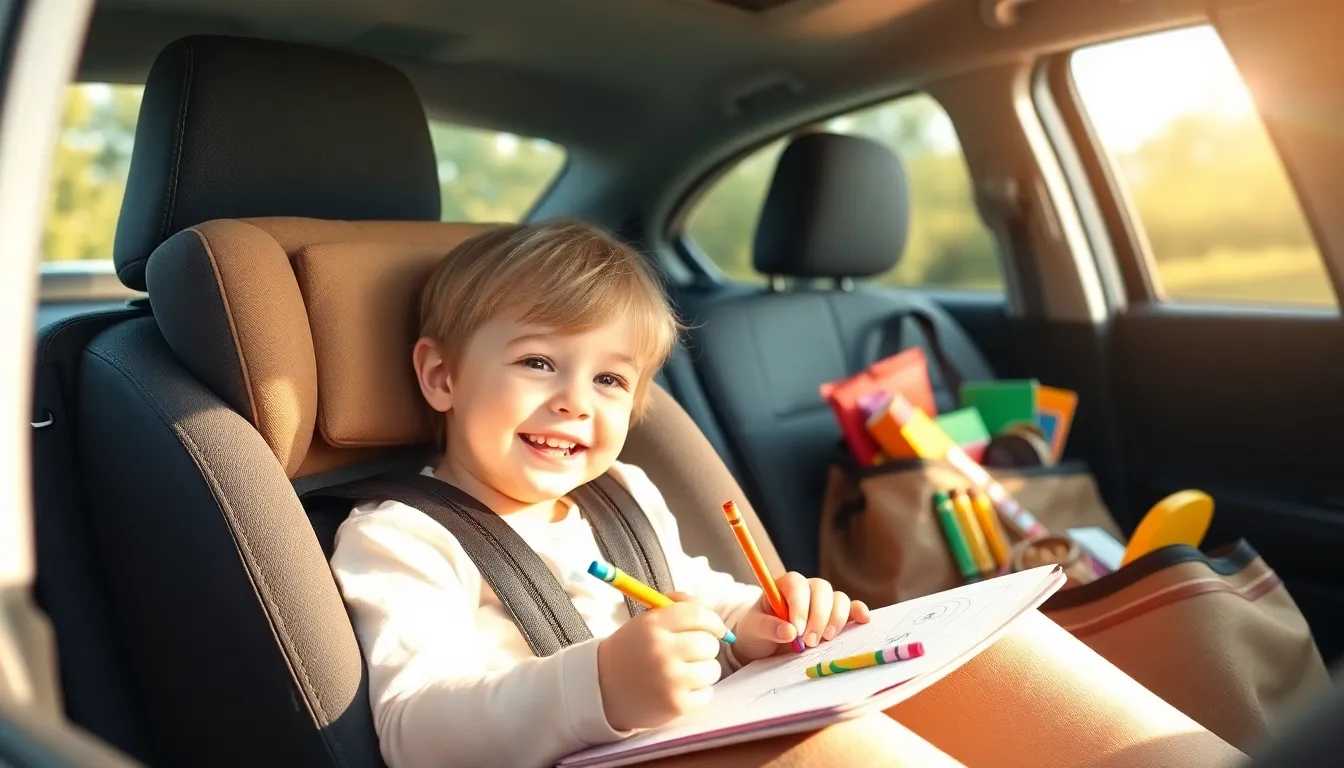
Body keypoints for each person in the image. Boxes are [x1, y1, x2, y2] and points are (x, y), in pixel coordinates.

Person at [330, 219, 872, 768]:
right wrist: (600, 687)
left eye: (608, 380)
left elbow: (690, 595)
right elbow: (413, 732)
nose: (575, 402)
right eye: (537, 363)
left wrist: (756, 625)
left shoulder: (622, 493)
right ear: (443, 376)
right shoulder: (404, 536)